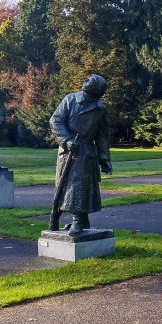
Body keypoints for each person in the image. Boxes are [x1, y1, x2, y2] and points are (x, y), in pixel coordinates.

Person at [48, 74, 113, 235]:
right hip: (68, 150)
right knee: (65, 186)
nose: (85, 80)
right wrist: (67, 140)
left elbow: (101, 135)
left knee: (81, 186)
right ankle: (58, 216)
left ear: (97, 89)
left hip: (86, 151)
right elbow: (55, 121)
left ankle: (79, 220)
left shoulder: (100, 109)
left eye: (90, 79)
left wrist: (104, 159)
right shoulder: (70, 99)